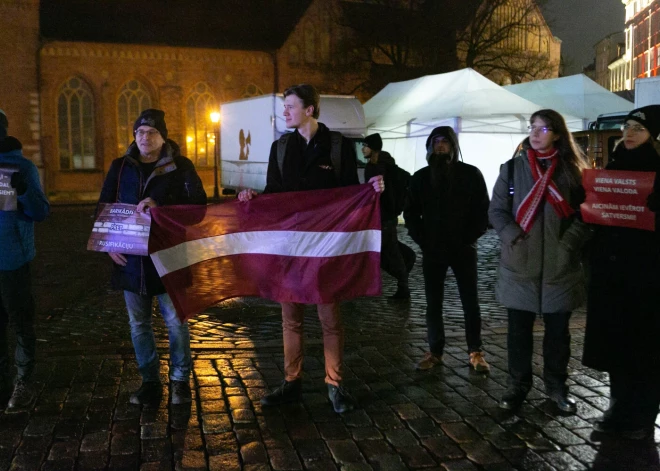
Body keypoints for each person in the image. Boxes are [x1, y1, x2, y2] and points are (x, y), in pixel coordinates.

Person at [238, 84, 384, 414]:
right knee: (291, 319)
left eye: (290, 106)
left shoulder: (337, 147)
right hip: (289, 248)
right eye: (284, 106)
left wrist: (371, 190)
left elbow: (350, 193)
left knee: (329, 319)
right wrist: (254, 199)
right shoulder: (280, 147)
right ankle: (292, 383)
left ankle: (335, 385)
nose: (284, 112)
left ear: (309, 110)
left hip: (324, 249)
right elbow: (273, 195)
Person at [98, 109, 207, 406]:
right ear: (134, 136)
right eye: (140, 132)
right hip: (131, 259)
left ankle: (180, 381)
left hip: (169, 256)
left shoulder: (180, 166)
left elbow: (198, 206)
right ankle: (150, 381)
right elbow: (105, 205)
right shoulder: (120, 167)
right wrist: (109, 243)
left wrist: (160, 204)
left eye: (151, 132)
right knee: (139, 324)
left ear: (163, 137)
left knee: (175, 321)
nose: (145, 137)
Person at [489, 109, 590, 413]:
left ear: (558, 134)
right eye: (532, 127)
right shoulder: (512, 168)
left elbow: (588, 214)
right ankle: (517, 387)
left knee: (558, 336)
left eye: (543, 128)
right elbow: (496, 210)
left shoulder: (574, 172)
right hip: (520, 265)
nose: (535, 133)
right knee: (518, 334)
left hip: (560, 267)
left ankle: (557, 388)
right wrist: (513, 236)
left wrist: (569, 243)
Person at [583, 105, 660, 439]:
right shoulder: (612, 168)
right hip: (611, 273)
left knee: (644, 346)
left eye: (638, 129)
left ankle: (642, 415)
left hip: (646, 275)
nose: (629, 133)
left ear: (653, 137)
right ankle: (617, 406)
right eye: (628, 126)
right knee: (616, 342)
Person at [404, 126, 490, 372]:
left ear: (453, 145)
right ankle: (435, 351)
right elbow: (410, 213)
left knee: (470, 301)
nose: (440, 145)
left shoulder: (471, 174)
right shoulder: (420, 178)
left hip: (463, 248)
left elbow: (482, 209)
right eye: (436, 141)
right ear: (430, 146)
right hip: (433, 249)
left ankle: (476, 351)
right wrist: (422, 239)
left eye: (444, 141)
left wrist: (470, 236)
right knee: (433, 303)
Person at [0, 109, 50, 409]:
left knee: (20, 322)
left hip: (12, 260)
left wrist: (23, 192)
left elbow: (41, 212)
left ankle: (23, 382)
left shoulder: (20, 166)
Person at [362, 133, 413, 300]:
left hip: (386, 216)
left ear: (374, 148)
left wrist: (395, 205)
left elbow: (405, 180)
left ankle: (403, 285)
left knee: (388, 252)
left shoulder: (383, 167)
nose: (363, 149)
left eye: (366, 145)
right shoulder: (374, 165)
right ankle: (406, 267)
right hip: (379, 216)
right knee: (388, 250)